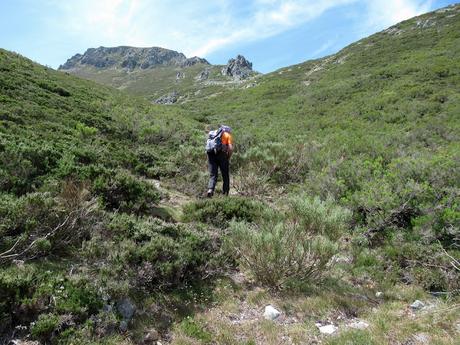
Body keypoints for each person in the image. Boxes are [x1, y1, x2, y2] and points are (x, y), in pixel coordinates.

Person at [206, 125, 233, 197]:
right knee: (225, 175)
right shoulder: (227, 135)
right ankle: (225, 193)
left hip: (211, 154)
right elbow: (230, 148)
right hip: (222, 154)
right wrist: (228, 157)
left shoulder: (213, 134)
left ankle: (210, 190)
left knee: (213, 174)